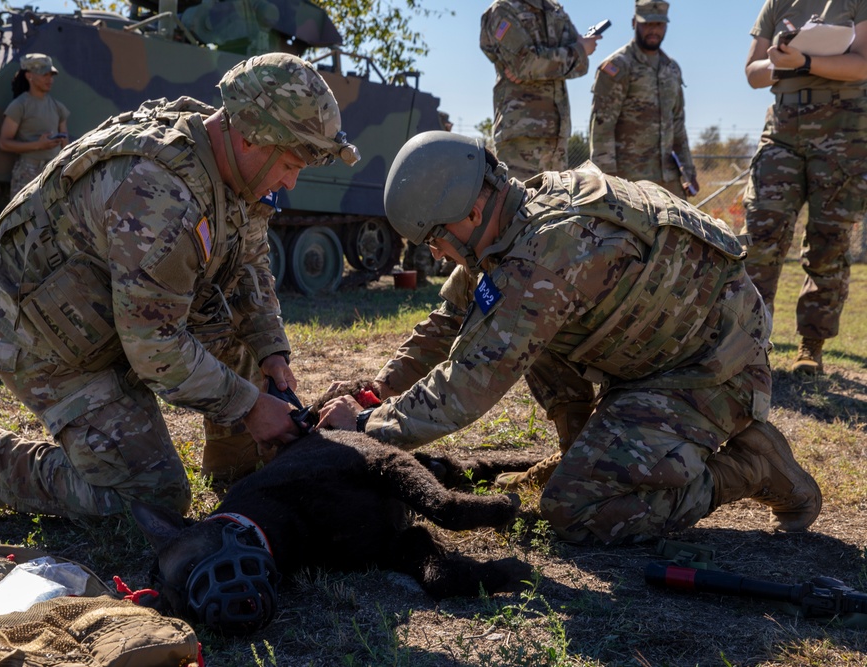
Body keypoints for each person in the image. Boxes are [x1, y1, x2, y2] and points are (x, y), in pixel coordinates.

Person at [318, 131, 822, 545]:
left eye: (435, 239)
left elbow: (467, 386)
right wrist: (376, 393)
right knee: (512, 329)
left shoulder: (547, 256)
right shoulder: (510, 223)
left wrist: (362, 427)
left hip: (710, 371)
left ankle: (752, 465)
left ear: (469, 213)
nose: (437, 254)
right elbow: (446, 324)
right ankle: (583, 449)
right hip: (658, 355)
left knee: (575, 510)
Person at [0, 53, 360, 519]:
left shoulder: (228, 156)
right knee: (151, 497)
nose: (291, 181)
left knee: (248, 350)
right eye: (291, 163)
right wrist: (249, 405)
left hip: (123, 317)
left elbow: (251, 256)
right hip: (58, 347)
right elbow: (155, 347)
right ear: (253, 135)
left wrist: (271, 349)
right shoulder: (161, 194)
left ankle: (238, 463)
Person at [741, 1, 867, 374]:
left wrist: (806, 63)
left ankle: (811, 346)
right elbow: (752, 73)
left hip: (843, 129)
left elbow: (862, 63)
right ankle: (748, 342)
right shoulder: (777, 4)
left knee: (829, 240)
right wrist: (780, 61)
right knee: (761, 236)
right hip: (783, 127)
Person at [480, 0, 601, 180]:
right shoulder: (504, 9)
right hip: (521, 134)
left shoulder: (554, 9)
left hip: (557, 136)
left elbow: (580, 66)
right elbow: (525, 63)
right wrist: (578, 51)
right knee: (518, 204)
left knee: (556, 206)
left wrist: (540, 64)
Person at [589, 0, 699, 198]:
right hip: (628, 182)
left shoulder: (672, 69)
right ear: (634, 23)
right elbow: (602, 127)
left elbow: (678, 125)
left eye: (659, 24)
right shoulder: (618, 67)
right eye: (647, 24)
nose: (653, 30)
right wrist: (605, 181)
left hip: (668, 180)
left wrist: (688, 170)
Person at [0, 53, 71, 197]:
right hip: (28, 172)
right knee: (24, 217)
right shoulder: (19, 106)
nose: (50, 79)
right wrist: (38, 145)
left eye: (51, 75)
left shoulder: (58, 107)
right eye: (45, 75)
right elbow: (4, 143)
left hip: (53, 172)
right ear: (29, 76)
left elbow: (65, 144)